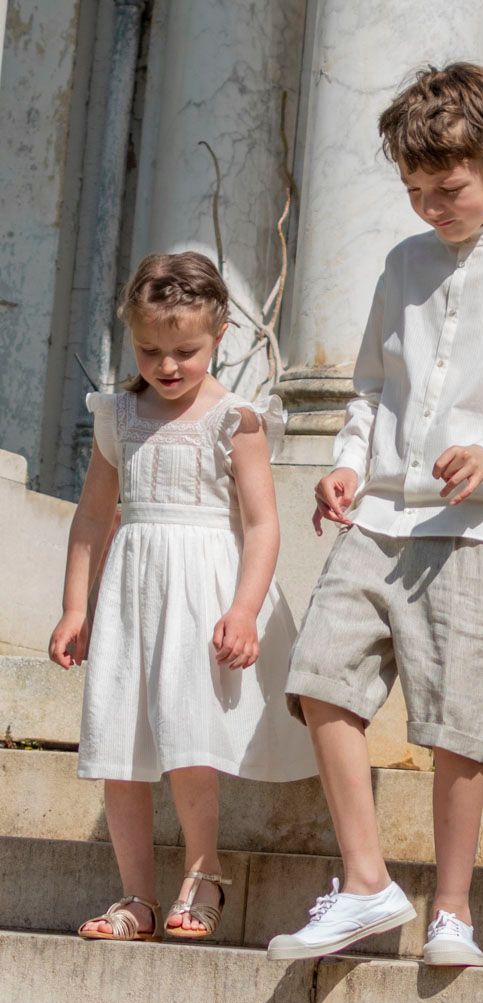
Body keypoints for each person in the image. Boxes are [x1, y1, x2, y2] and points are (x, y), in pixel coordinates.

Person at [268, 62, 483, 965]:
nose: (431, 208)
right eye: (415, 192)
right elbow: (374, 386)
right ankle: (368, 883)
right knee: (320, 680)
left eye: (447, 189)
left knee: (458, 721)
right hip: (380, 517)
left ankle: (453, 909)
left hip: (480, 527)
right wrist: (344, 463)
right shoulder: (401, 265)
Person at [51, 251, 314, 944]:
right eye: (150, 349)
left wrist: (244, 609)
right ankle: (135, 895)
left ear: (220, 332)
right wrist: (77, 605)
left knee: (188, 736)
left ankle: (204, 874)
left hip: (203, 596)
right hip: (132, 596)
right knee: (120, 745)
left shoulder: (236, 419)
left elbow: (262, 525)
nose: (167, 366)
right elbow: (90, 516)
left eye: (185, 351)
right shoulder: (118, 416)